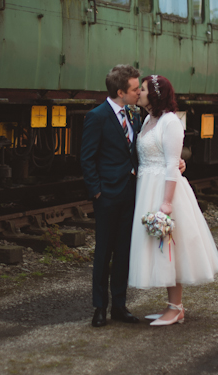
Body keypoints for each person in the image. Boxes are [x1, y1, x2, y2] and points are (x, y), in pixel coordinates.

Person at [80, 65, 187, 328]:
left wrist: (176, 165)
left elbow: (150, 151)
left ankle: (119, 305)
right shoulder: (97, 116)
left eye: (141, 88)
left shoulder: (137, 116)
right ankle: (99, 307)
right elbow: (86, 158)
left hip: (133, 194)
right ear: (120, 92)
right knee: (103, 252)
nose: (139, 91)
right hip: (107, 196)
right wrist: (96, 191)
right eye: (135, 88)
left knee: (124, 252)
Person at [128, 74, 218, 326]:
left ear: (156, 95)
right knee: (158, 246)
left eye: (144, 89)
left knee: (169, 246)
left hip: (164, 189)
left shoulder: (170, 122)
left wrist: (167, 203)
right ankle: (171, 306)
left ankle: (176, 307)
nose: (139, 92)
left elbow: (172, 164)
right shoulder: (148, 119)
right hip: (147, 187)